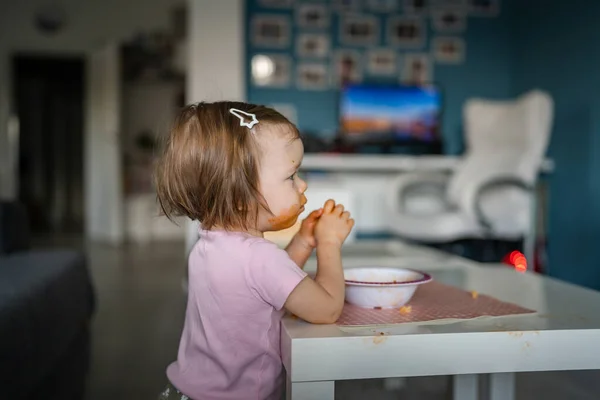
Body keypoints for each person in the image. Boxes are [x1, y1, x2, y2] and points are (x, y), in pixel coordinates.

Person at [154, 101, 354, 400]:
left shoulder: (209, 244)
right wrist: (329, 244)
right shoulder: (260, 258)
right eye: (291, 176)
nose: (303, 185)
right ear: (239, 195)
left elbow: (266, 287)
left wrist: (302, 241)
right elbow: (326, 309)